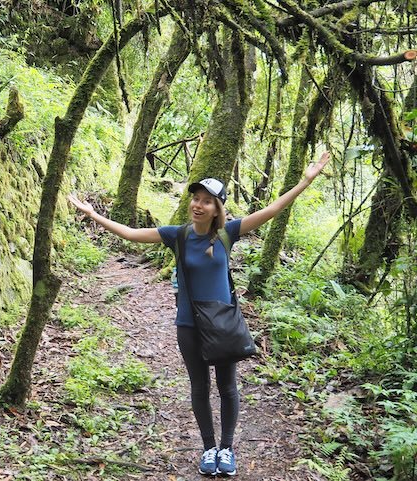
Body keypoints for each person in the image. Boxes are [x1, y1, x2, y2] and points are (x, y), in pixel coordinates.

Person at [67, 151, 330, 477]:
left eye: (207, 201)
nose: (198, 204)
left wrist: (306, 180)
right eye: (195, 198)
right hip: (188, 324)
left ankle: (227, 448)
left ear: (217, 208)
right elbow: (131, 233)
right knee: (199, 387)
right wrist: (93, 214)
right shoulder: (177, 235)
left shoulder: (227, 234)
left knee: (228, 387)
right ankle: (208, 448)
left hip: (221, 324)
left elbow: (273, 209)